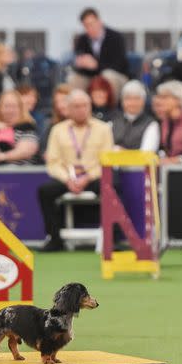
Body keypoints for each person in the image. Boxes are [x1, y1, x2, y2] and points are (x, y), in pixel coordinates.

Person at [37, 89, 114, 252]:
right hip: (67, 178)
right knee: (44, 191)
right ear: (68, 109)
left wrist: (88, 177)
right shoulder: (57, 130)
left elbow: (106, 161)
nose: (81, 110)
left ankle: (111, 237)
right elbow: (53, 162)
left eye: (85, 105)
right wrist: (67, 179)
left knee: (113, 187)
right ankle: (54, 238)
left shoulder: (103, 129)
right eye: (77, 106)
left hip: (93, 177)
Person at [67, 7, 130, 97]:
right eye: (86, 26)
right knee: (74, 78)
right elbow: (78, 65)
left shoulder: (116, 38)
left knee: (107, 76)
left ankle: (111, 109)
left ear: (99, 21)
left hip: (117, 76)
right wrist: (79, 64)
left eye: (91, 24)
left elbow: (118, 65)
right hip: (91, 76)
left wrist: (96, 65)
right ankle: (79, 107)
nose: (89, 28)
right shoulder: (82, 40)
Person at [111, 80, 160, 151]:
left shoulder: (151, 124)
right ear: (122, 101)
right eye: (128, 99)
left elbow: (147, 154)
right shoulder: (113, 121)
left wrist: (122, 152)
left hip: (138, 162)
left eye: (136, 99)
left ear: (143, 101)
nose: (132, 103)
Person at [155, 80, 182, 164]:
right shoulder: (163, 120)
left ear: (178, 99)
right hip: (167, 170)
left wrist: (178, 160)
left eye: (164, 97)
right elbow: (162, 147)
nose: (160, 101)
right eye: (160, 97)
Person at [39, 83, 72, 162]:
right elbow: (44, 151)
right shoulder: (52, 126)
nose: (60, 106)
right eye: (57, 102)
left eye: (64, 100)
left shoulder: (90, 125)